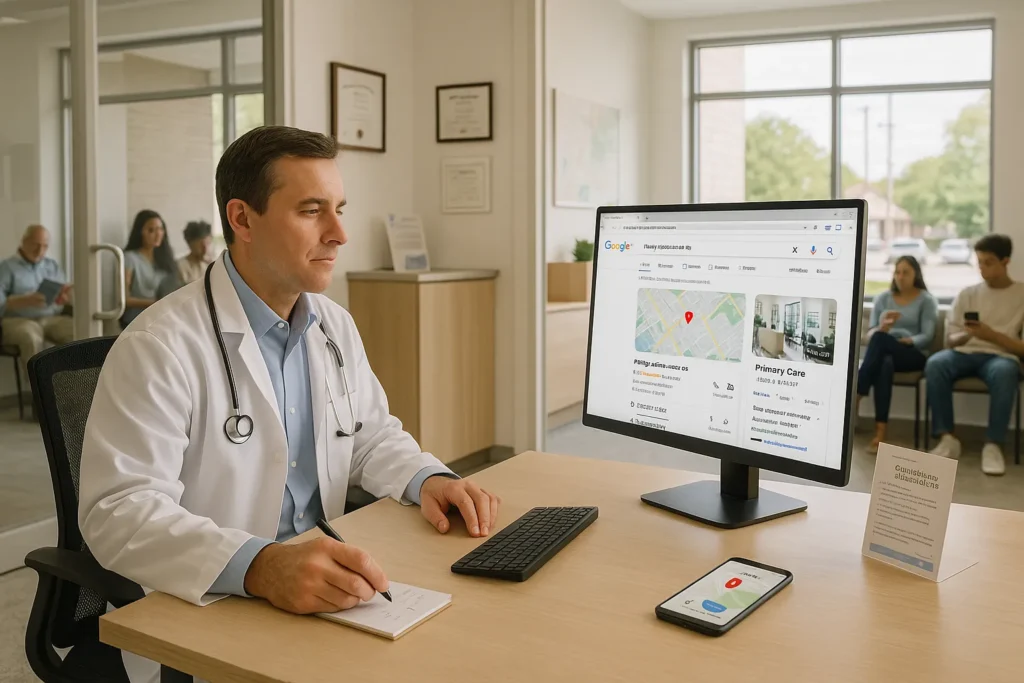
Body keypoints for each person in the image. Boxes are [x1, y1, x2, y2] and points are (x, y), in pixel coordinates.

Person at [79, 126, 500, 682]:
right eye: (311, 210)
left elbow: (370, 434)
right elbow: (119, 513)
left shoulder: (332, 325)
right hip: (210, 604)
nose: (340, 233)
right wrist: (259, 566)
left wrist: (427, 478)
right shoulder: (159, 346)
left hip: (323, 585)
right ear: (242, 219)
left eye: (340, 209)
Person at [926, 234, 1024, 475]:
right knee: (936, 363)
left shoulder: (1021, 295)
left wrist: (990, 335)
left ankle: (993, 444)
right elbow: (950, 340)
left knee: (1005, 371)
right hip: (964, 352)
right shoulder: (967, 294)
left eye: (988, 262)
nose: (982, 268)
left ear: (1005, 262)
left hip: (1001, 357)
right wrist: (968, 335)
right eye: (979, 262)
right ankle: (947, 438)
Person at [856, 256, 937, 454]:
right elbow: (871, 334)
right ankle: (880, 434)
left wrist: (905, 341)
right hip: (886, 351)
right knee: (883, 361)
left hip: (912, 353)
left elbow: (927, 336)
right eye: (897, 272)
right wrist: (882, 328)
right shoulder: (883, 298)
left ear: (916, 274)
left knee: (882, 341)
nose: (900, 276)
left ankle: (856, 395)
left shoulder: (926, 300)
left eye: (905, 272)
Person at [0, 225, 73, 376]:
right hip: (17, 320)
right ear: (24, 241)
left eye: (45, 246)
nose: (40, 251)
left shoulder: (51, 265)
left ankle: (75, 388)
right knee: (31, 337)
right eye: (36, 244)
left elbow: (62, 295)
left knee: (79, 331)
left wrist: (63, 299)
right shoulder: (6, 267)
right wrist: (24, 300)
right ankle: (40, 394)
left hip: (51, 317)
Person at [120, 209, 175, 329]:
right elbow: (124, 299)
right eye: (151, 230)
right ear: (140, 232)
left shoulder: (165, 259)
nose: (158, 233)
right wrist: (155, 303)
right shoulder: (130, 258)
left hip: (161, 318)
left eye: (160, 229)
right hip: (136, 321)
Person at [176, 219, 214, 285]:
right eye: (200, 244)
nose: (205, 249)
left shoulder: (212, 265)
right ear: (190, 244)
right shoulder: (180, 267)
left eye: (208, 243)